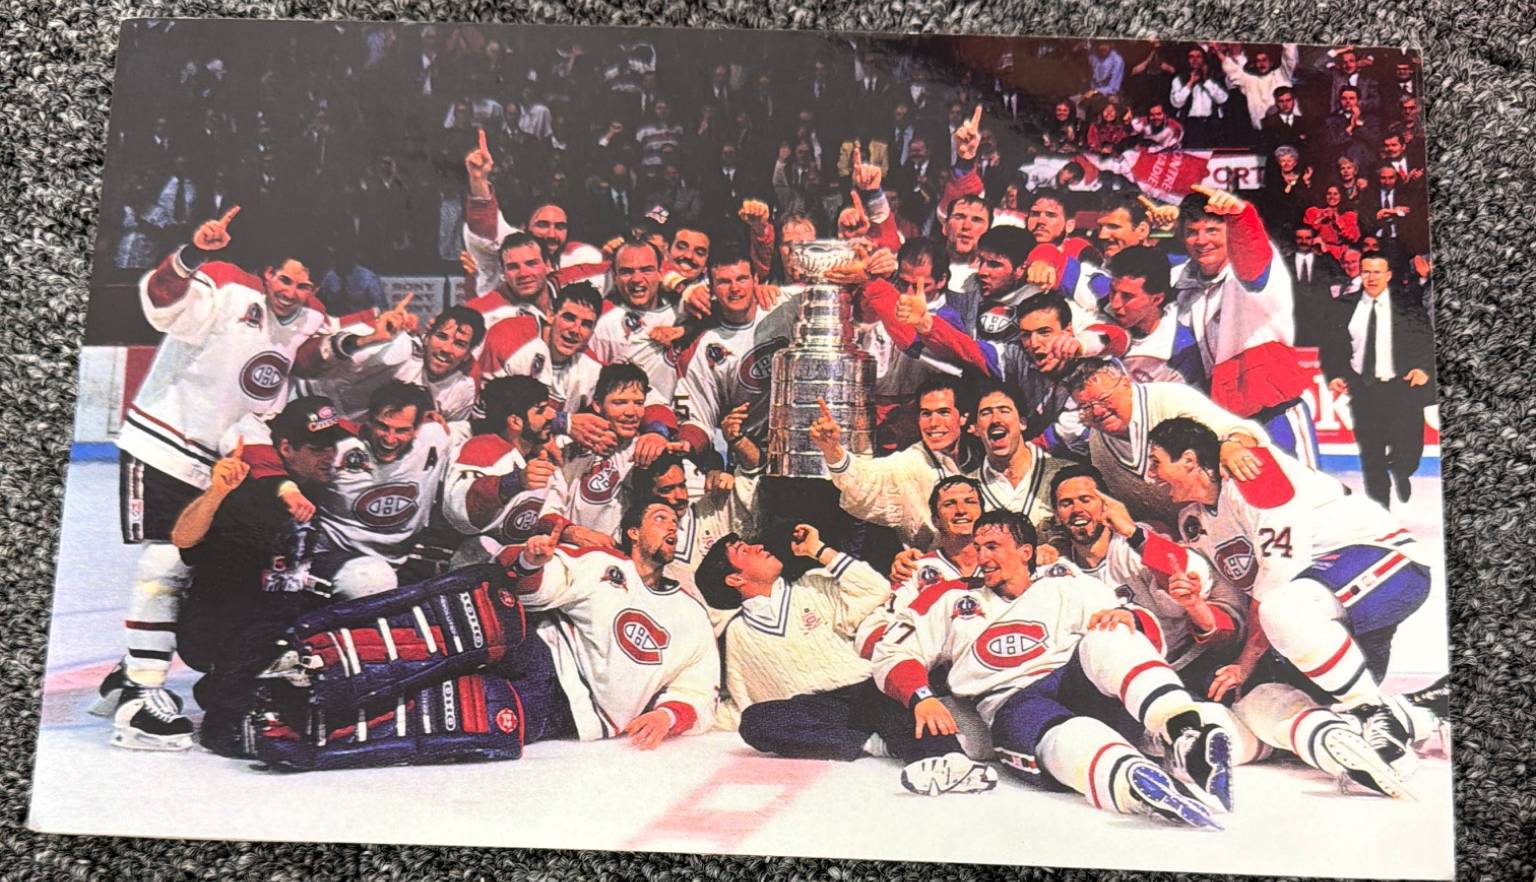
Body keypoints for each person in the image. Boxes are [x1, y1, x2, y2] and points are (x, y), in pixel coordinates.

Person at [250, 499, 720, 770]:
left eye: (676, 522)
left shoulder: (691, 614)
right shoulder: (605, 565)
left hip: (567, 711)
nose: (673, 525)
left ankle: (299, 732)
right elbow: (539, 589)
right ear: (633, 531)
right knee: (482, 606)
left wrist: (669, 716)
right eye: (661, 517)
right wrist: (532, 561)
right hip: (540, 654)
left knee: (463, 712)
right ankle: (320, 656)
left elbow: (700, 692)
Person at [97, 205, 330, 749]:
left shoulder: (309, 317)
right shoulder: (226, 285)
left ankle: (128, 673)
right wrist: (192, 254)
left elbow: (314, 358)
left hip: (222, 465)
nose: (291, 292)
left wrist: (364, 340)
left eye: (303, 285)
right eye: (284, 279)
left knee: (207, 568)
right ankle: (139, 699)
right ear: (268, 273)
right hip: (164, 446)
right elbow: (162, 302)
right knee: (165, 561)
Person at [870, 510, 1229, 823]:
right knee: (1064, 733)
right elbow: (892, 651)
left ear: (1025, 552)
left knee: (1111, 631)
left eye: (993, 547)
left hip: (1075, 682)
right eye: (978, 548)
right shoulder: (951, 597)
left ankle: (1183, 730)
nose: (982, 557)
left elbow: (1141, 627)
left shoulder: (1066, 585)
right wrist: (921, 697)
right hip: (1012, 701)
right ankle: (1134, 784)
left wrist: (1129, 617)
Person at [1145, 416, 1433, 779]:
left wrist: (1245, 662)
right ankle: (1419, 713)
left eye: (1156, 462)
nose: (1150, 476)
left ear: (1189, 460)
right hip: (1330, 610)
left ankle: (1372, 711)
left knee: (1282, 610)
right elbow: (1240, 594)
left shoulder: (1253, 476)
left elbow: (1278, 580)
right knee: (1283, 699)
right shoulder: (1194, 521)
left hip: (1386, 562)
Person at [172, 397, 382, 756]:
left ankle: (229, 686)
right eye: (316, 448)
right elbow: (185, 539)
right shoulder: (252, 494)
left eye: (331, 446)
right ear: (286, 448)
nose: (328, 456)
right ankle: (225, 711)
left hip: (271, 608)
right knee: (271, 622)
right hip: (220, 624)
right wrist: (217, 492)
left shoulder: (307, 484)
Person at [1172, 183, 1317, 465]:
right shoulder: (1188, 282)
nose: (1201, 240)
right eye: (1192, 232)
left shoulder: (1256, 268)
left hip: (1275, 412)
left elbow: (1252, 265)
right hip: (1228, 419)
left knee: (1304, 491)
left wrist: (1240, 216)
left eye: (1212, 230)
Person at [1050, 464, 1245, 674]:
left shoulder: (1137, 540)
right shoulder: (1060, 567)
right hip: (1129, 677)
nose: (1077, 509)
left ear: (1106, 505)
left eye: (1086, 499)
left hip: (1191, 659)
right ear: (1057, 515)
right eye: (1066, 503)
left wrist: (1132, 533)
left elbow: (1187, 574)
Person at [697, 524, 890, 727]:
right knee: (755, 722)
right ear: (735, 579)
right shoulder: (738, 631)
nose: (758, 547)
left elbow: (877, 589)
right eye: (744, 551)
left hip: (863, 694)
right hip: (809, 717)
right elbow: (743, 700)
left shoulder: (813, 585)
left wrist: (819, 550)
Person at [1063, 357, 1268, 527]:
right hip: (1192, 534)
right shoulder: (1097, 444)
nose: (1097, 411)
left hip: (1244, 513)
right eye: (1086, 407)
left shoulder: (1171, 399)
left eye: (1104, 399)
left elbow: (1243, 434)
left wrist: (1232, 446)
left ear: (1126, 383)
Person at [809, 375, 981, 550]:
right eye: (926, 414)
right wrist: (833, 450)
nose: (933, 423)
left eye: (943, 413)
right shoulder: (909, 463)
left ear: (963, 417)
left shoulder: (982, 454)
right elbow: (863, 479)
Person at [1320, 255, 1436, 506]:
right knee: (1371, 454)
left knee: (1409, 451)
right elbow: (1331, 346)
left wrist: (1423, 369)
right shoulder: (1344, 306)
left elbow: (1426, 340)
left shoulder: (1406, 304)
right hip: (1364, 390)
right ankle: (1381, 509)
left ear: (1388, 275)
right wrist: (1335, 374)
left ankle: (1402, 471)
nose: (1371, 278)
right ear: (1361, 274)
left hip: (1402, 388)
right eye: (1366, 272)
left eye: (1377, 272)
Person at [539, 363, 681, 545]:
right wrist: (573, 533)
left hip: (626, 556)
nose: (631, 412)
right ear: (598, 404)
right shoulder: (567, 447)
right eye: (619, 403)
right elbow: (544, 512)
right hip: (573, 551)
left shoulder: (649, 449)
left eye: (638, 403)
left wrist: (659, 433)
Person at [297, 300, 484, 422]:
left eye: (459, 344)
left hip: (357, 439)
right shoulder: (399, 345)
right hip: (309, 405)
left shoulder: (463, 389)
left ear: (468, 354)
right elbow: (301, 361)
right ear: (427, 337)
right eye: (441, 337)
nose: (446, 349)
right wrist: (367, 340)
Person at [441, 376, 560, 551]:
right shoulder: (481, 448)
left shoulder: (538, 456)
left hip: (521, 555)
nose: (553, 415)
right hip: (462, 555)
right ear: (515, 422)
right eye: (541, 410)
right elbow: (460, 509)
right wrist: (515, 482)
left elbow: (548, 512)